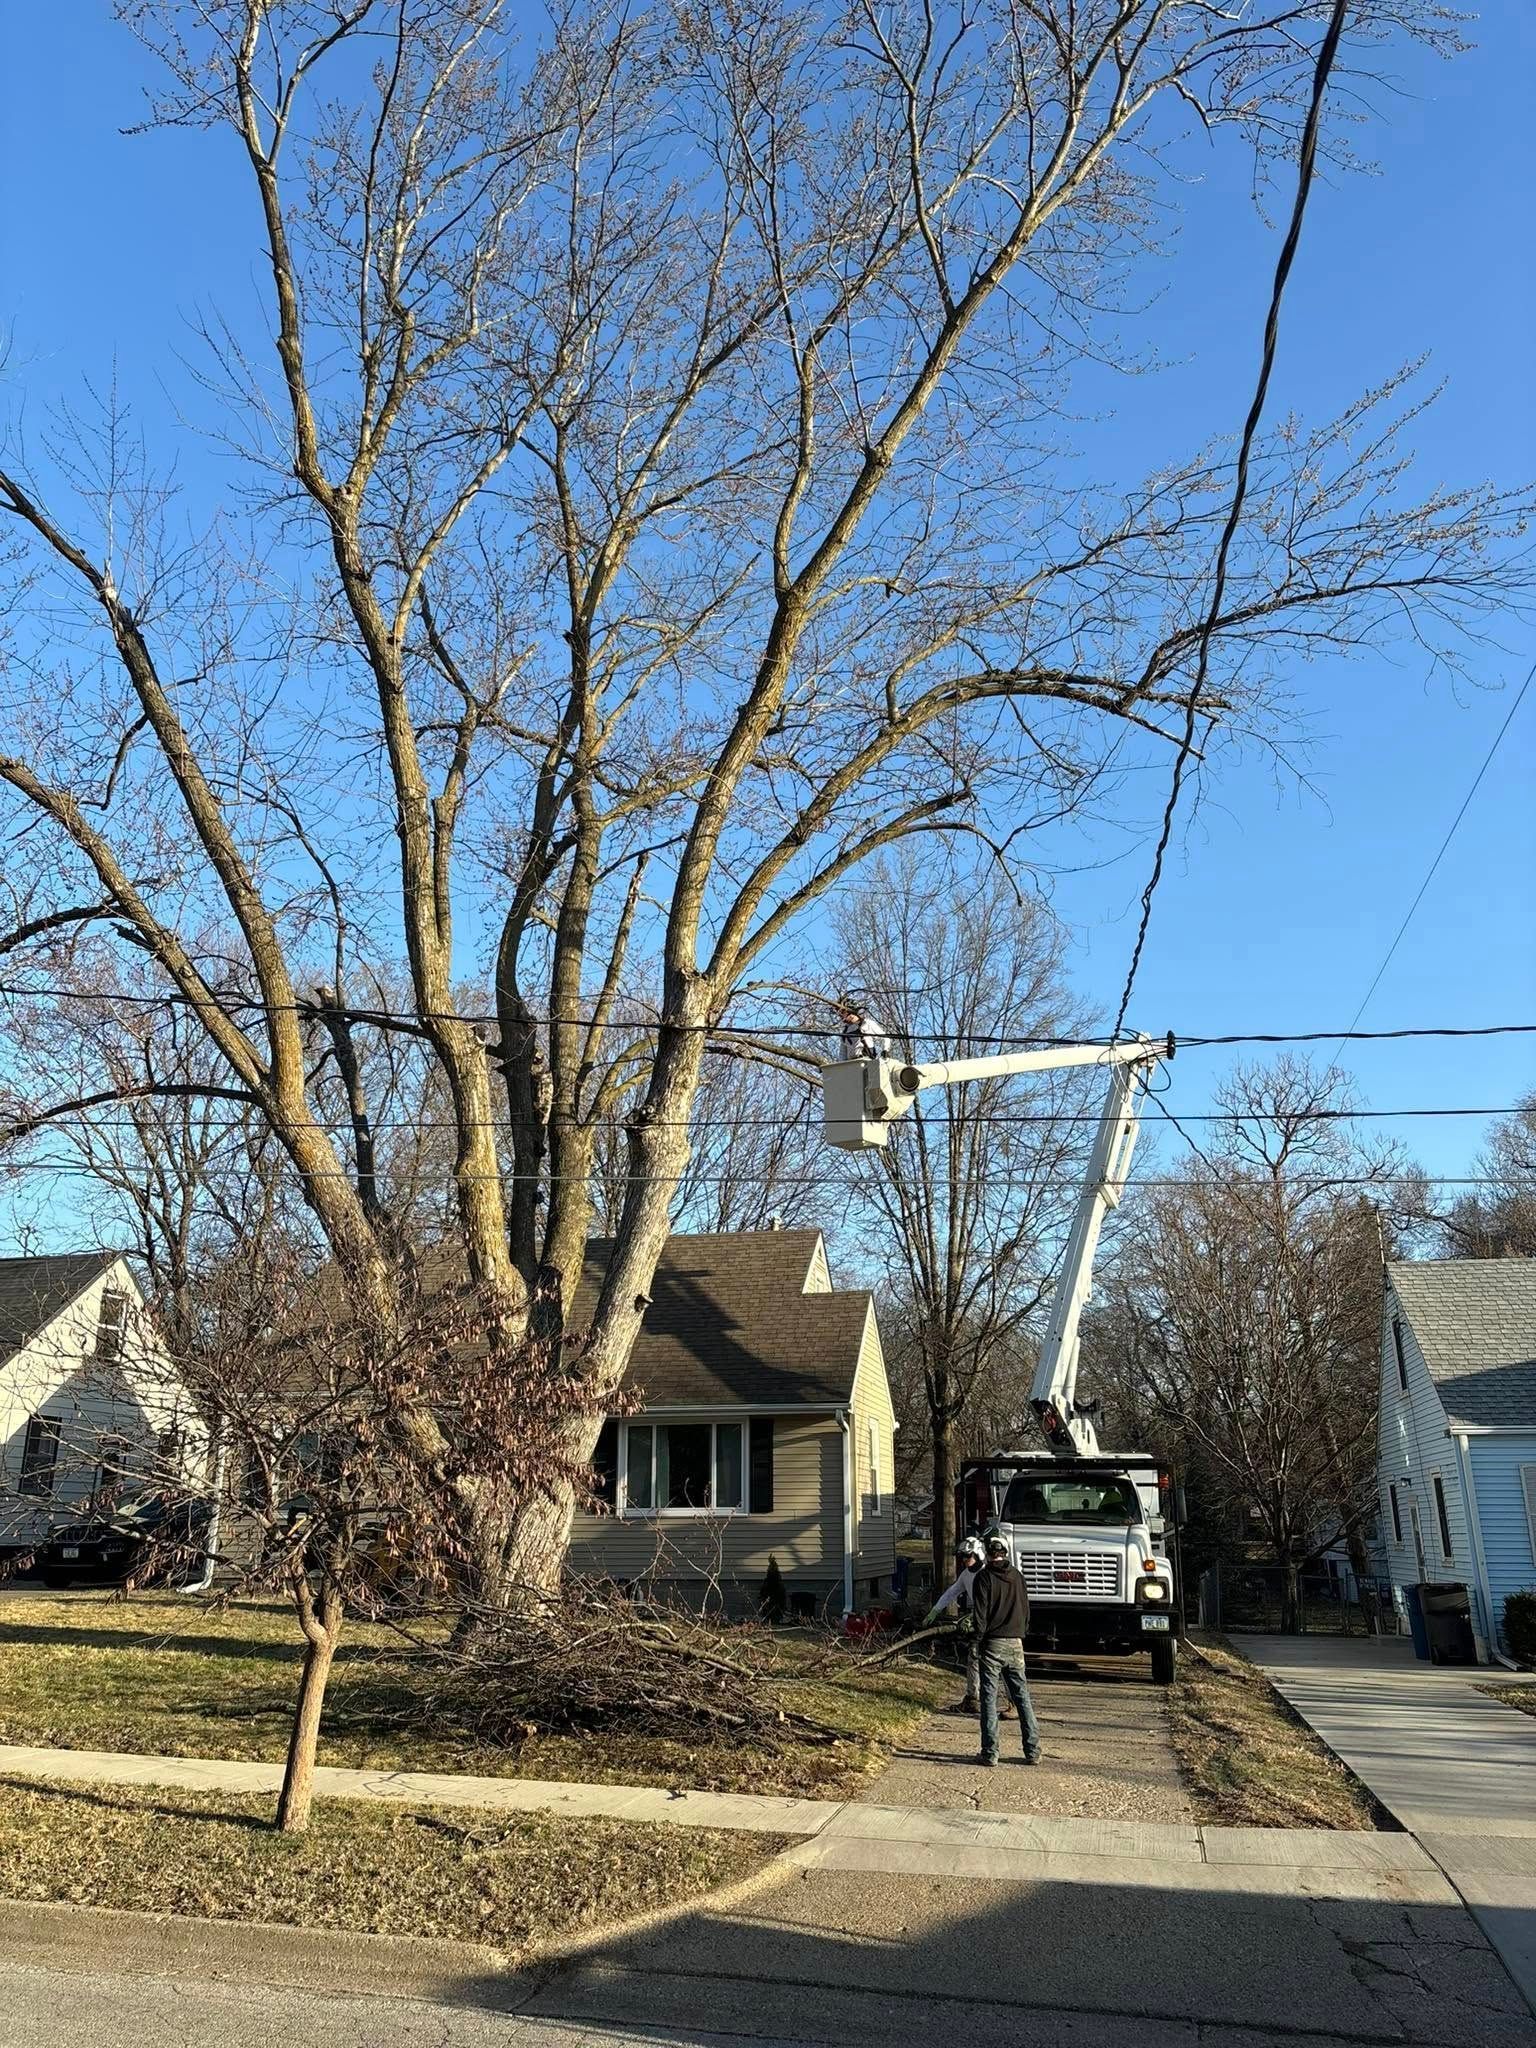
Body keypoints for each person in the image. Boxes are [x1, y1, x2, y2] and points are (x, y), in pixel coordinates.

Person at [971, 1533, 1043, 1767]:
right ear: (1005, 1553)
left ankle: (990, 1753)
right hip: (1016, 1643)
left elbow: (979, 1616)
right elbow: (1027, 1609)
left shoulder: (983, 1578)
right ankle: (1032, 1751)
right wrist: (1022, 1631)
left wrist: (976, 1640)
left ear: (987, 1554)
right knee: (1022, 1698)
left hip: (992, 1643)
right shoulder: (1018, 1577)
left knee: (989, 1700)